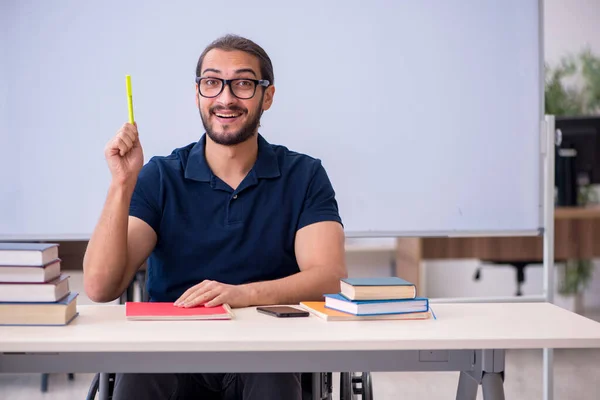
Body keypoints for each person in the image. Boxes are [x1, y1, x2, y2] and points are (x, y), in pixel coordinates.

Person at [83, 34, 347, 399]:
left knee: (273, 375)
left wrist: (241, 295)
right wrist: (121, 183)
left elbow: (330, 278)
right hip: (172, 352)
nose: (225, 98)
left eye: (242, 83)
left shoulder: (304, 175)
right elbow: (100, 287)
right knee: (138, 374)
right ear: (198, 95)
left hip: (268, 351)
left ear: (266, 96)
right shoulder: (161, 176)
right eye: (212, 83)